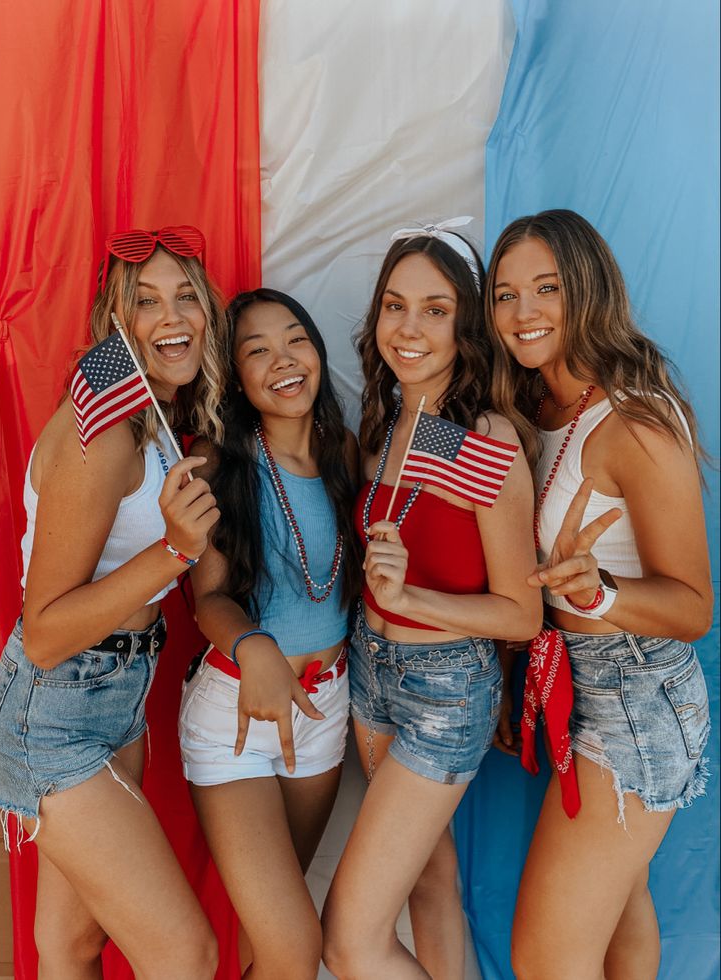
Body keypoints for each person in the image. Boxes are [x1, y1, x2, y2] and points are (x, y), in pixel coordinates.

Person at [0, 226, 225, 978]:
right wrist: (175, 552)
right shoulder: (105, 434)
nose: (173, 317)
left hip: (114, 695)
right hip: (53, 710)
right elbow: (47, 632)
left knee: (70, 947)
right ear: (115, 322)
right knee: (185, 952)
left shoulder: (148, 419)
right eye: (146, 301)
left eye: (187, 295)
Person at [485, 208, 712, 980]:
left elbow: (694, 607)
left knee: (547, 960)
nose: (523, 313)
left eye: (545, 288)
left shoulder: (634, 421)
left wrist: (602, 589)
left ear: (586, 288)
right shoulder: (541, 408)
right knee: (620, 916)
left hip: (636, 694)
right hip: (577, 684)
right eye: (505, 294)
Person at [322, 221, 542, 979]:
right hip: (371, 673)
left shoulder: (484, 439)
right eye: (394, 304)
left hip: (444, 689)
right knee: (429, 879)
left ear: (467, 324)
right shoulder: (389, 423)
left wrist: (410, 592)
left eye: (436, 309)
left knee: (349, 941)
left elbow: (521, 612)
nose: (408, 328)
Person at [178, 287, 360, 979]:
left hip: (323, 710)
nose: (283, 361)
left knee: (269, 947)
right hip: (237, 715)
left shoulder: (344, 451)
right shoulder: (218, 463)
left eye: (296, 340)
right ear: (235, 375)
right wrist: (255, 650)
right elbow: (208, 599)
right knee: (294, 948)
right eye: (257, 351)